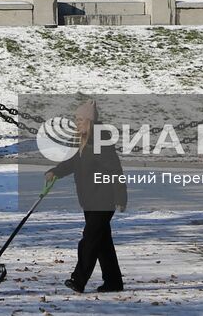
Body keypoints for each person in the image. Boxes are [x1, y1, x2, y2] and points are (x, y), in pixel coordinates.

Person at [44, 100, 125, 293]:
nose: (77, 122)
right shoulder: (81, 140)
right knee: (102, 242)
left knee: (89, 239)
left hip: (103, 199)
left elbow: (115, 170)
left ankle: (78, 280)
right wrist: (55, 171)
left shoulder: (100, 141)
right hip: (89, 199)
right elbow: (72, 162)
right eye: (76, 119)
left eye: (80, 119)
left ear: (90, 121)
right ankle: (114, 282)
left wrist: (121, 197)